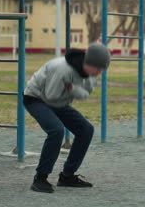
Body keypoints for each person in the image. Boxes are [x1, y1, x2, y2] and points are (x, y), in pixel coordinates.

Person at [23, 43, 111, 193]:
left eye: (103, 68)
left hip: (58, 102)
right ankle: (40, 178)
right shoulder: (62, 68)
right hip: (36, 98)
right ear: (87, 63)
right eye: (98, 67)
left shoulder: (91, 75)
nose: (100, 71)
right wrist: (73, 90)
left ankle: (67, 176)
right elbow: (51, 96)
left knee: (86, 130)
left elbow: (84, 95)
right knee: (56, 130)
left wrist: (73, 88)